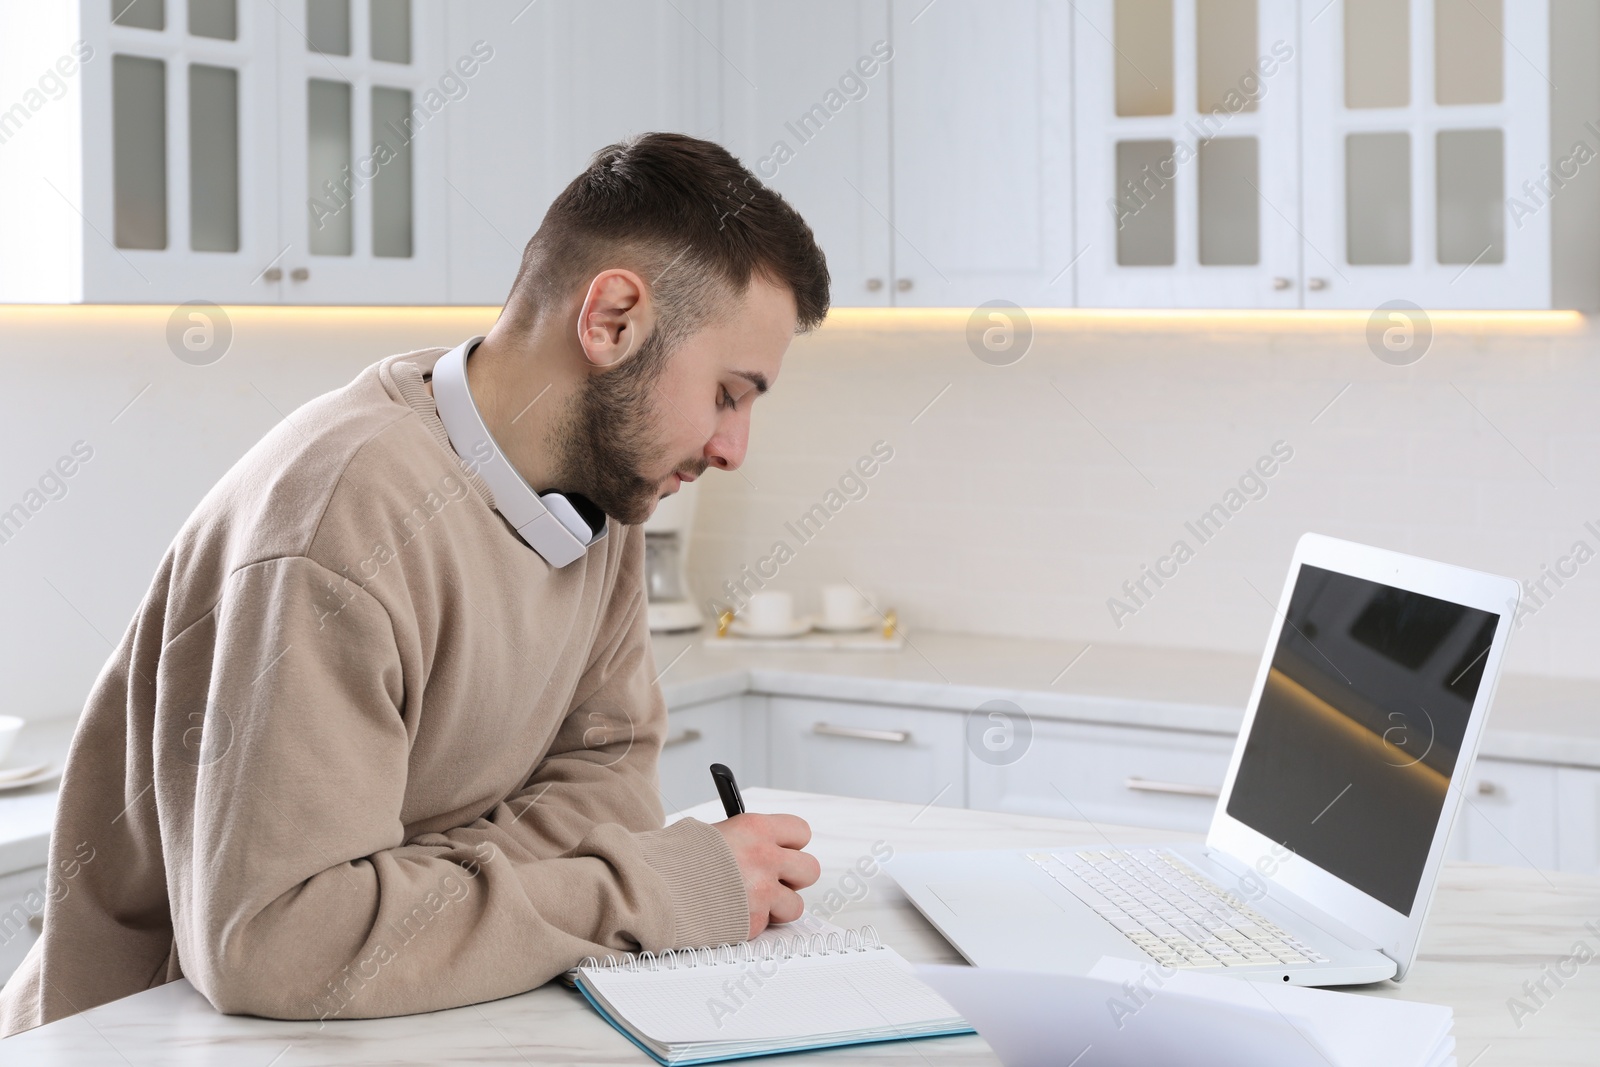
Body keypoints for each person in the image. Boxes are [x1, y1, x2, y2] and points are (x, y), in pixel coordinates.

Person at [0, 132, 830, 1035]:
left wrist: (401, 894)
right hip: (148, 1041)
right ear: (612, 320)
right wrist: (663, 889)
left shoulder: (604, 497)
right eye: (729, 393)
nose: (733, 449)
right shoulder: (345, 516)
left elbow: (614, 790)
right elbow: (282, 947)